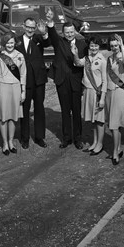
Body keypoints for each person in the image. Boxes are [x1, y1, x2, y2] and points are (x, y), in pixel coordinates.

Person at [46, 9, 86, 149]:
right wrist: (50, 21)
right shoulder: (59, 42)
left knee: (76, 110)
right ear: (63, 33)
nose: (69, 34)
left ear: (75, 31)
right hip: (62, 81)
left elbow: (88, 59)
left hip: (76, 81)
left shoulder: (82, 44)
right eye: (66, 32)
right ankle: (66, 138)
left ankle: (78, 139)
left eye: (71, 32)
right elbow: (52, 33)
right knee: (65, 111)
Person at [15, 17, 50, 149]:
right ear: (23, 26)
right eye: (28, 27)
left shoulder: (39, 38)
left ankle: (39, 137)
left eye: (32, 28)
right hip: (25, 80)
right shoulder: (17, 41)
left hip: (39, 79)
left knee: (39, 108)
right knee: (24, 109)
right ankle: (24, 138)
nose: (30, 30)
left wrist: (44, 32)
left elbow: (48, 42)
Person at [0, 32, 26, 155]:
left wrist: (23, 91)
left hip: (15, 87)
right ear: (4, 44)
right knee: (4, 117)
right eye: (7, 43)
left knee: (13, 117)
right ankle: (5, 143)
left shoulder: (20, 55)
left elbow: (23, 74)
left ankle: (11, 141)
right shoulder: (0, 56)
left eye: (12, 42)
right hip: (2, 86)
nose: (10, 45)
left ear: (15, 43)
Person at [72, 35, 107, 155]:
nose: (93, 48)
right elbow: (77, 63)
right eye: (92, 45)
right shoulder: (87, 59)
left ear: (99, 46)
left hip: (97, 93)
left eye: (96, 45)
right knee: (93, 119)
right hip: (87, 92)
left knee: (99, 120)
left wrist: (102, 98)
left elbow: (105, 81)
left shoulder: (102, 60)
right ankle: (95, 142)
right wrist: (75, 54)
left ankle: (100, 144)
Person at [104, 34, 124, 165]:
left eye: (116, 45)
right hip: (109, 92)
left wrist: (122, 47)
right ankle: (118, 148)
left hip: (119, 92)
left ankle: (115, 152)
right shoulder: (109, 58)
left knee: (114, 125)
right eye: (112, 46)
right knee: (113, 125)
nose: (114, 48)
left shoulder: (122, 57)